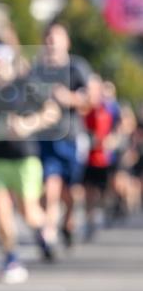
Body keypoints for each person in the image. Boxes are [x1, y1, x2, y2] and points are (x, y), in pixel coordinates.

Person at [0, 40, 59, 283]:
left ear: (7, 60)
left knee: (29, 212)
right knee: (0, 208)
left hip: (24, 157)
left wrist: (28, 124)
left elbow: (52, 112)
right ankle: (11, 257)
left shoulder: (27, 85)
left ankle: (43, 231)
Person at [31, 22, 91, 252]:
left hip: (72, 137)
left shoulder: (77, 67)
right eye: (47, 39)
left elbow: (90, 99)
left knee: (72, 191)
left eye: (55, 38)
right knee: (50, 183)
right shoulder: (37, 70)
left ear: (67, 42)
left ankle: (67, 221)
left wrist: (69, 98)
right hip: (45, 138)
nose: (51, 43)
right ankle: (49, 231)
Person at [81, 75, 118, 239]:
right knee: (88, 190)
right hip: (87, 157)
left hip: (104, 158)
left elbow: (118, 129)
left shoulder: (110, 110)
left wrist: (112, 141)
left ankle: (103, 210)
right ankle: (90, 219)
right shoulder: (84, 110)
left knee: (102, 190)